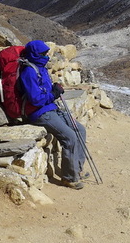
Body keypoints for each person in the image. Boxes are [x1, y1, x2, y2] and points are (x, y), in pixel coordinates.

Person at [18, 39, 87, 189]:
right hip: (40, 113)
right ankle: (69, 178)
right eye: (42, 54)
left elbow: (46, 90)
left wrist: (54, 89)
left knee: (80, 130)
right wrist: (53, 94)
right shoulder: (29, 71)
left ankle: (76, 169)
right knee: (70, 137)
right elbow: (36, 99)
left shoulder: (40, 67)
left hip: (51, 108)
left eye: (46, 53)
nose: (46, 56)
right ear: (34, 54)